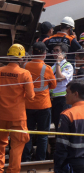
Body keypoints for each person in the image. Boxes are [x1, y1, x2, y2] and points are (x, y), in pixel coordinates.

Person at [0, 44, 34, 173]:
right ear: (21, 58)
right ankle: (13, 171)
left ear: (8, 57)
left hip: (1, 114)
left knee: (0, 144)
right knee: (17, 145)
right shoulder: (24, 73)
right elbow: (31, 96)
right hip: (17, 117)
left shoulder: (0, 71)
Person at [22, 42, 56, 162]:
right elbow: (54, 85)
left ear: (32, 53)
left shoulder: (25, 66)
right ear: (44, 54)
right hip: (43, 106)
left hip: (27, 105)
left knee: (28, 133)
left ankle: (26, 158)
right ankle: (41, 159)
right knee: (43, 135)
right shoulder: (46, 68)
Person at [50, 44, 75, 130]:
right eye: (54, 51)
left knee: (63, 125)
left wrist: (58, 62)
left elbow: (60, 78)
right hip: (54, 99)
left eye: (57, 50)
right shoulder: (53, 66)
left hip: (63, 99)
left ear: (64, 54)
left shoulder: (68, 66)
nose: (54, 53)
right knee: (57, 124)